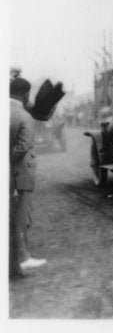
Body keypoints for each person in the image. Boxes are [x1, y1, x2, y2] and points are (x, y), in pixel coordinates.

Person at [10, 77, 46, 274]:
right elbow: (23, 146)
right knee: (21, 216)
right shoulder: (24, 116)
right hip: (20, 172)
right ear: (25, 95)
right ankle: (23, 258)